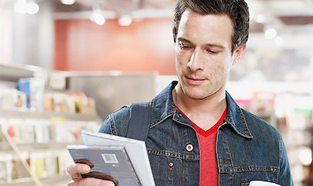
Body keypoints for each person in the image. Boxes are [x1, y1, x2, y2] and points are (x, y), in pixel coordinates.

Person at [67, 0, 294, 185]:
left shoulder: (268, 143)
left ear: (237, 53)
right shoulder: (122, 129)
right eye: (185, 46)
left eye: (211, 50)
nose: (193, 64)